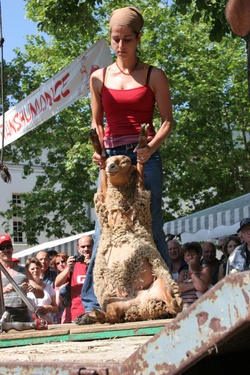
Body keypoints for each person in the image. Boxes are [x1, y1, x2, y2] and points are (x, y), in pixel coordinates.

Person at [79, 5, 174, 324]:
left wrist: (150, 148)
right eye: (115, 39)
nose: (121, 46)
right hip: (111, 161)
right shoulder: (98, 78)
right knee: (103, 227)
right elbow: (97, 124)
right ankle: (92, 302)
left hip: (144, 156)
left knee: (151, 223)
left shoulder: (153, 75)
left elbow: (167, 122)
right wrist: (98, 153)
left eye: (128, 39)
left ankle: (168, 292)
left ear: (138, 39)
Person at [0, 234, 44, 322]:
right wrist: (4, 290)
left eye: (8, 246)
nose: (6, 250)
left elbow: (41, 294)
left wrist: (33, 289)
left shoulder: (23, 270)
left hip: (21, 314)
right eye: (2, 248)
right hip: (2, 314)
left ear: (12, 249)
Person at [55, 235, 93, 323]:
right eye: (83, 247)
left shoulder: (99, 263)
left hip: (96, 311)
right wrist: (68, 267)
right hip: (78, 313)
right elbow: (57, 283)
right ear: (78, 249)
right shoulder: (74, 265)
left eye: (88, 246)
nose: (86, 249)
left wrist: (93, 264)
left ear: (93, 247)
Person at [177, 242, 212, 310]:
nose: (191, 257)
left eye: (193, 254)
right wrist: (195, 285)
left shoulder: (205, 270)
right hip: (184, 309)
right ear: (185, 259)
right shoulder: (183, 273)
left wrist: (192, 272)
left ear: (199, 256)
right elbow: (177, 288)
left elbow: (201, 287)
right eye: (188, 255)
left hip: (200, 309)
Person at [25, 257, 58, 324]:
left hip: (47, 323)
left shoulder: (48, 287)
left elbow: (56, 308)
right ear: (27, 271)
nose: (35, 270)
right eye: (32, 269)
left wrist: (49, 308)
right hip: (30, 324)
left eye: (37, 268)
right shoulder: (25, 287)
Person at [52, 252, 71, 324]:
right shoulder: (57, 280)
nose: (61, 264)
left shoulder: (74, 272)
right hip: (64, 312)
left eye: (63, 261)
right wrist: (59, 290)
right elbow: (58, 303)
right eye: (57, 263)